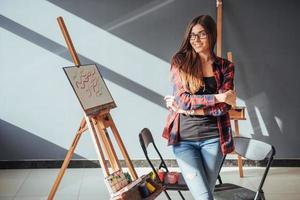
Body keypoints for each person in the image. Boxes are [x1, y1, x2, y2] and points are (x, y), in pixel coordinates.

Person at [162, 15, 236, 200]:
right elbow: (182, 100)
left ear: (211, 35)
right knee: (204, 197)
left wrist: (189, 110)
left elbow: (224, 108)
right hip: (184, 140)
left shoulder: (225, 67)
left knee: (205, 194)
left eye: (201, 34)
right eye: (192, 35)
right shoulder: (180, 61)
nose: (195, 40)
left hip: (214, 139)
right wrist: (217, 97)